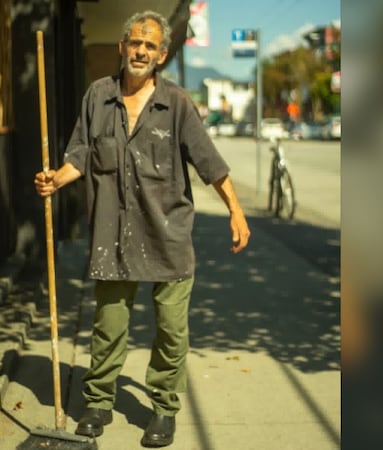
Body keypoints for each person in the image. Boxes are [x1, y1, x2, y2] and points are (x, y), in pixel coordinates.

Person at [34, 10, 250, 448]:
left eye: (150, 46)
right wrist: (55, 178)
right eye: (135, 43)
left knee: (171, 328)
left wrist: (236, 210)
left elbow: (208, 163)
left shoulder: (177, 104)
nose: (141, 51)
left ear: (162, 55)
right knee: (108, 324)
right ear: (122, 47)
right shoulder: (98, 96)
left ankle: (164, 408)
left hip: (168, 233)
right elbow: (81, 153)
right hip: (112, 234)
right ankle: (97, 402)